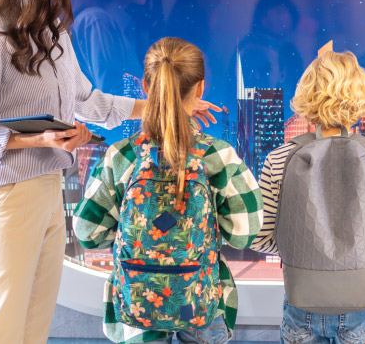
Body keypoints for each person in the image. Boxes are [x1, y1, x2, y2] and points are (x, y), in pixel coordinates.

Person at [0, 0, 215, 344]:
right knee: (0, 327)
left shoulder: (55, 37)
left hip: (50, 190)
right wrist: (38, 138)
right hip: (7, 197)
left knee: (34, 326)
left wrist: (167, 105)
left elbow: (88, 102)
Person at [74, 37, 263, 344]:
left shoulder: (122, 156)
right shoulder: (218, 155)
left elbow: (87, 233)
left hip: (135, 301)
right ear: (200, 89)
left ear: (147, 87)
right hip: (202, 299)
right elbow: (245, 232)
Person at [251, 50, 365, 344]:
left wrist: (303, 247)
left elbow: (259, 239)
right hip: (361, 307)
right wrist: (364, 247)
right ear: (360, 97)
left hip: (301, 305)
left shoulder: (279, 158)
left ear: (307, 97)